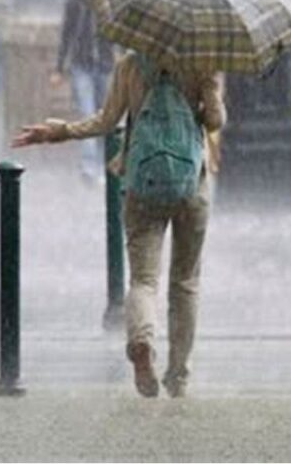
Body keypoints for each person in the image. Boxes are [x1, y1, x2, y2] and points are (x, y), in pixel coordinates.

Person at [12, 52, 225, 399]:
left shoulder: (131, 64)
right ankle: (178, 377)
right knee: (185, 282)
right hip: (191, 185)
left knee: (143, 280)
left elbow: (107, 121)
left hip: (143, 182)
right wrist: (207, 92)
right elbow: (215, 121)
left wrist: (59, 132)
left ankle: (141, 339)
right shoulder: (201, 61)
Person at [54, 0, 116, 184]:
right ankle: (90, 167)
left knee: (104, 116)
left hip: (103, 67)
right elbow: (66, 35)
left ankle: (101, 164)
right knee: (88, 115)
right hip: (82, 66)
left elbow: (118, 35)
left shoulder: (110, 5)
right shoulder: (75, 3)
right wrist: (59, 67)